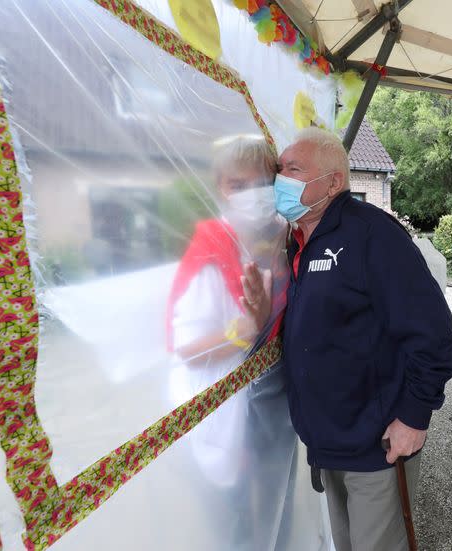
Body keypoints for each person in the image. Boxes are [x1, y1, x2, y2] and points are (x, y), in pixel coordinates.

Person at [276, 127, 452, 551]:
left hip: (376, 444)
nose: (279, 180)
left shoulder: (372, 235)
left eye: (293, 169)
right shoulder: (299, 240)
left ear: (334, 181)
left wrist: (414, 417)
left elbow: (433, 335)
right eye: (279, 170)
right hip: (327, 440)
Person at [165, 134, 302, 550]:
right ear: (219, 188)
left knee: (281, 499)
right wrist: (239, 332)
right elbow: (184, 346)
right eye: (235, 186)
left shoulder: (287, 235)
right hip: (223, 410)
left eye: (258, 184)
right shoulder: (211, 243)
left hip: (276, 403)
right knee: (235, 518)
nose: (249, 195)